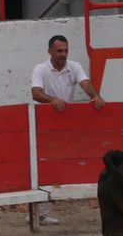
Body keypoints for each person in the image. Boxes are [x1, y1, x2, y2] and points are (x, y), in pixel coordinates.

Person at [30, 34, 106, 225]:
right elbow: (36, 93)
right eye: (59, 51)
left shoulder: (74, 66)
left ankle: (44, 213)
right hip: (45, 125)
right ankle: (40, 213)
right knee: (46, 165)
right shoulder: (40, 69)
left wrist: (95, 96)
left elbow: (85, 84)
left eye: (65, 50)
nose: (63, 54)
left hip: (66, 125)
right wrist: (52, 100)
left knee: (60, 163)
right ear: (50, 52)